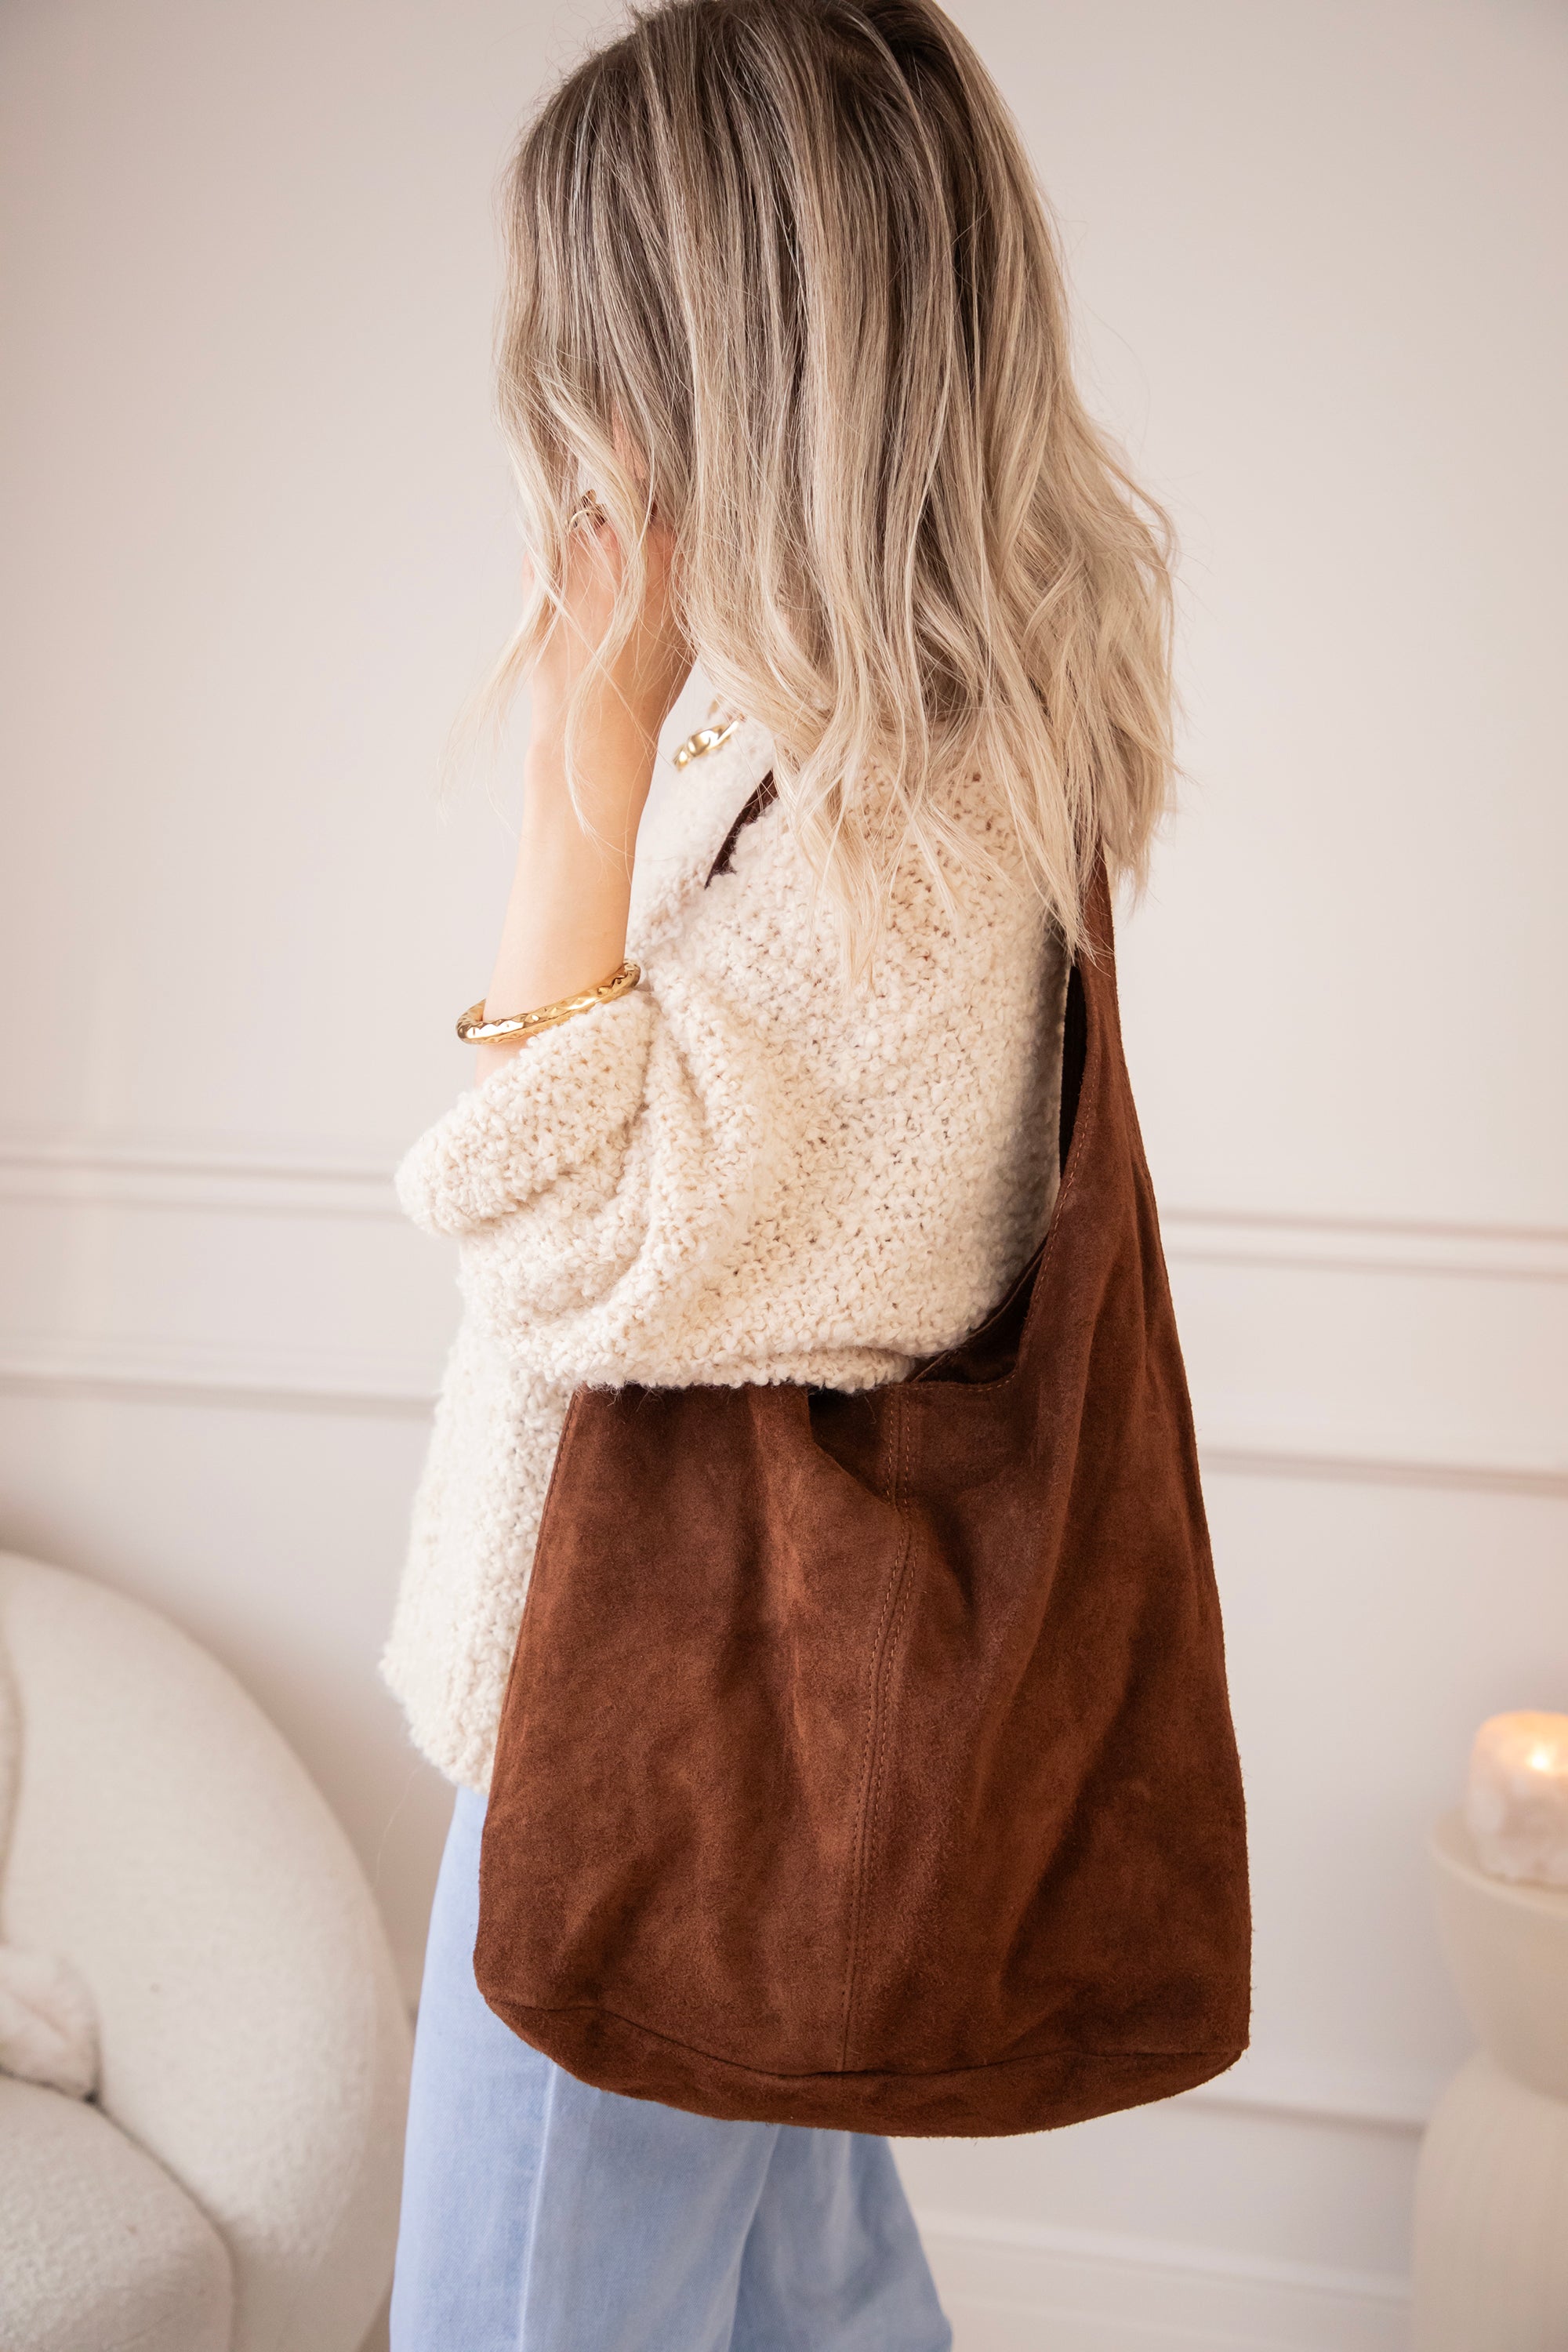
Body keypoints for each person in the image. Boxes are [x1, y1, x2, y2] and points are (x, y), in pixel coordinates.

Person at [383, 1, 1174, 2343]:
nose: (572, 434)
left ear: (724, 364)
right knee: (812, 2308)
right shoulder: (864, 755)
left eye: (601, 361)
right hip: (744, 1731)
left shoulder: (897, 825)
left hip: (650, 1768)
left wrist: (584, 744)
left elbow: (569, 1241)